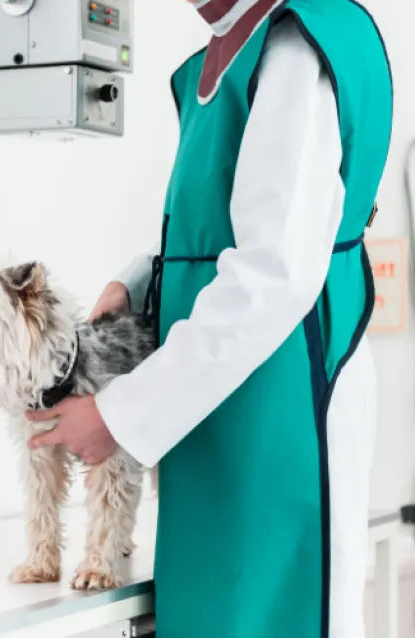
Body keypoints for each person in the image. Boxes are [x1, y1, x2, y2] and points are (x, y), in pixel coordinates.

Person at [27, 0, 393, 636]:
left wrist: (117, 416)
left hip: (280, 406)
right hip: (211, 413)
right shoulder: (224, 57)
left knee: (274, 611)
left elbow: (274, 273)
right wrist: (138, 284)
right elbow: (219, 237)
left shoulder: (296, 49)